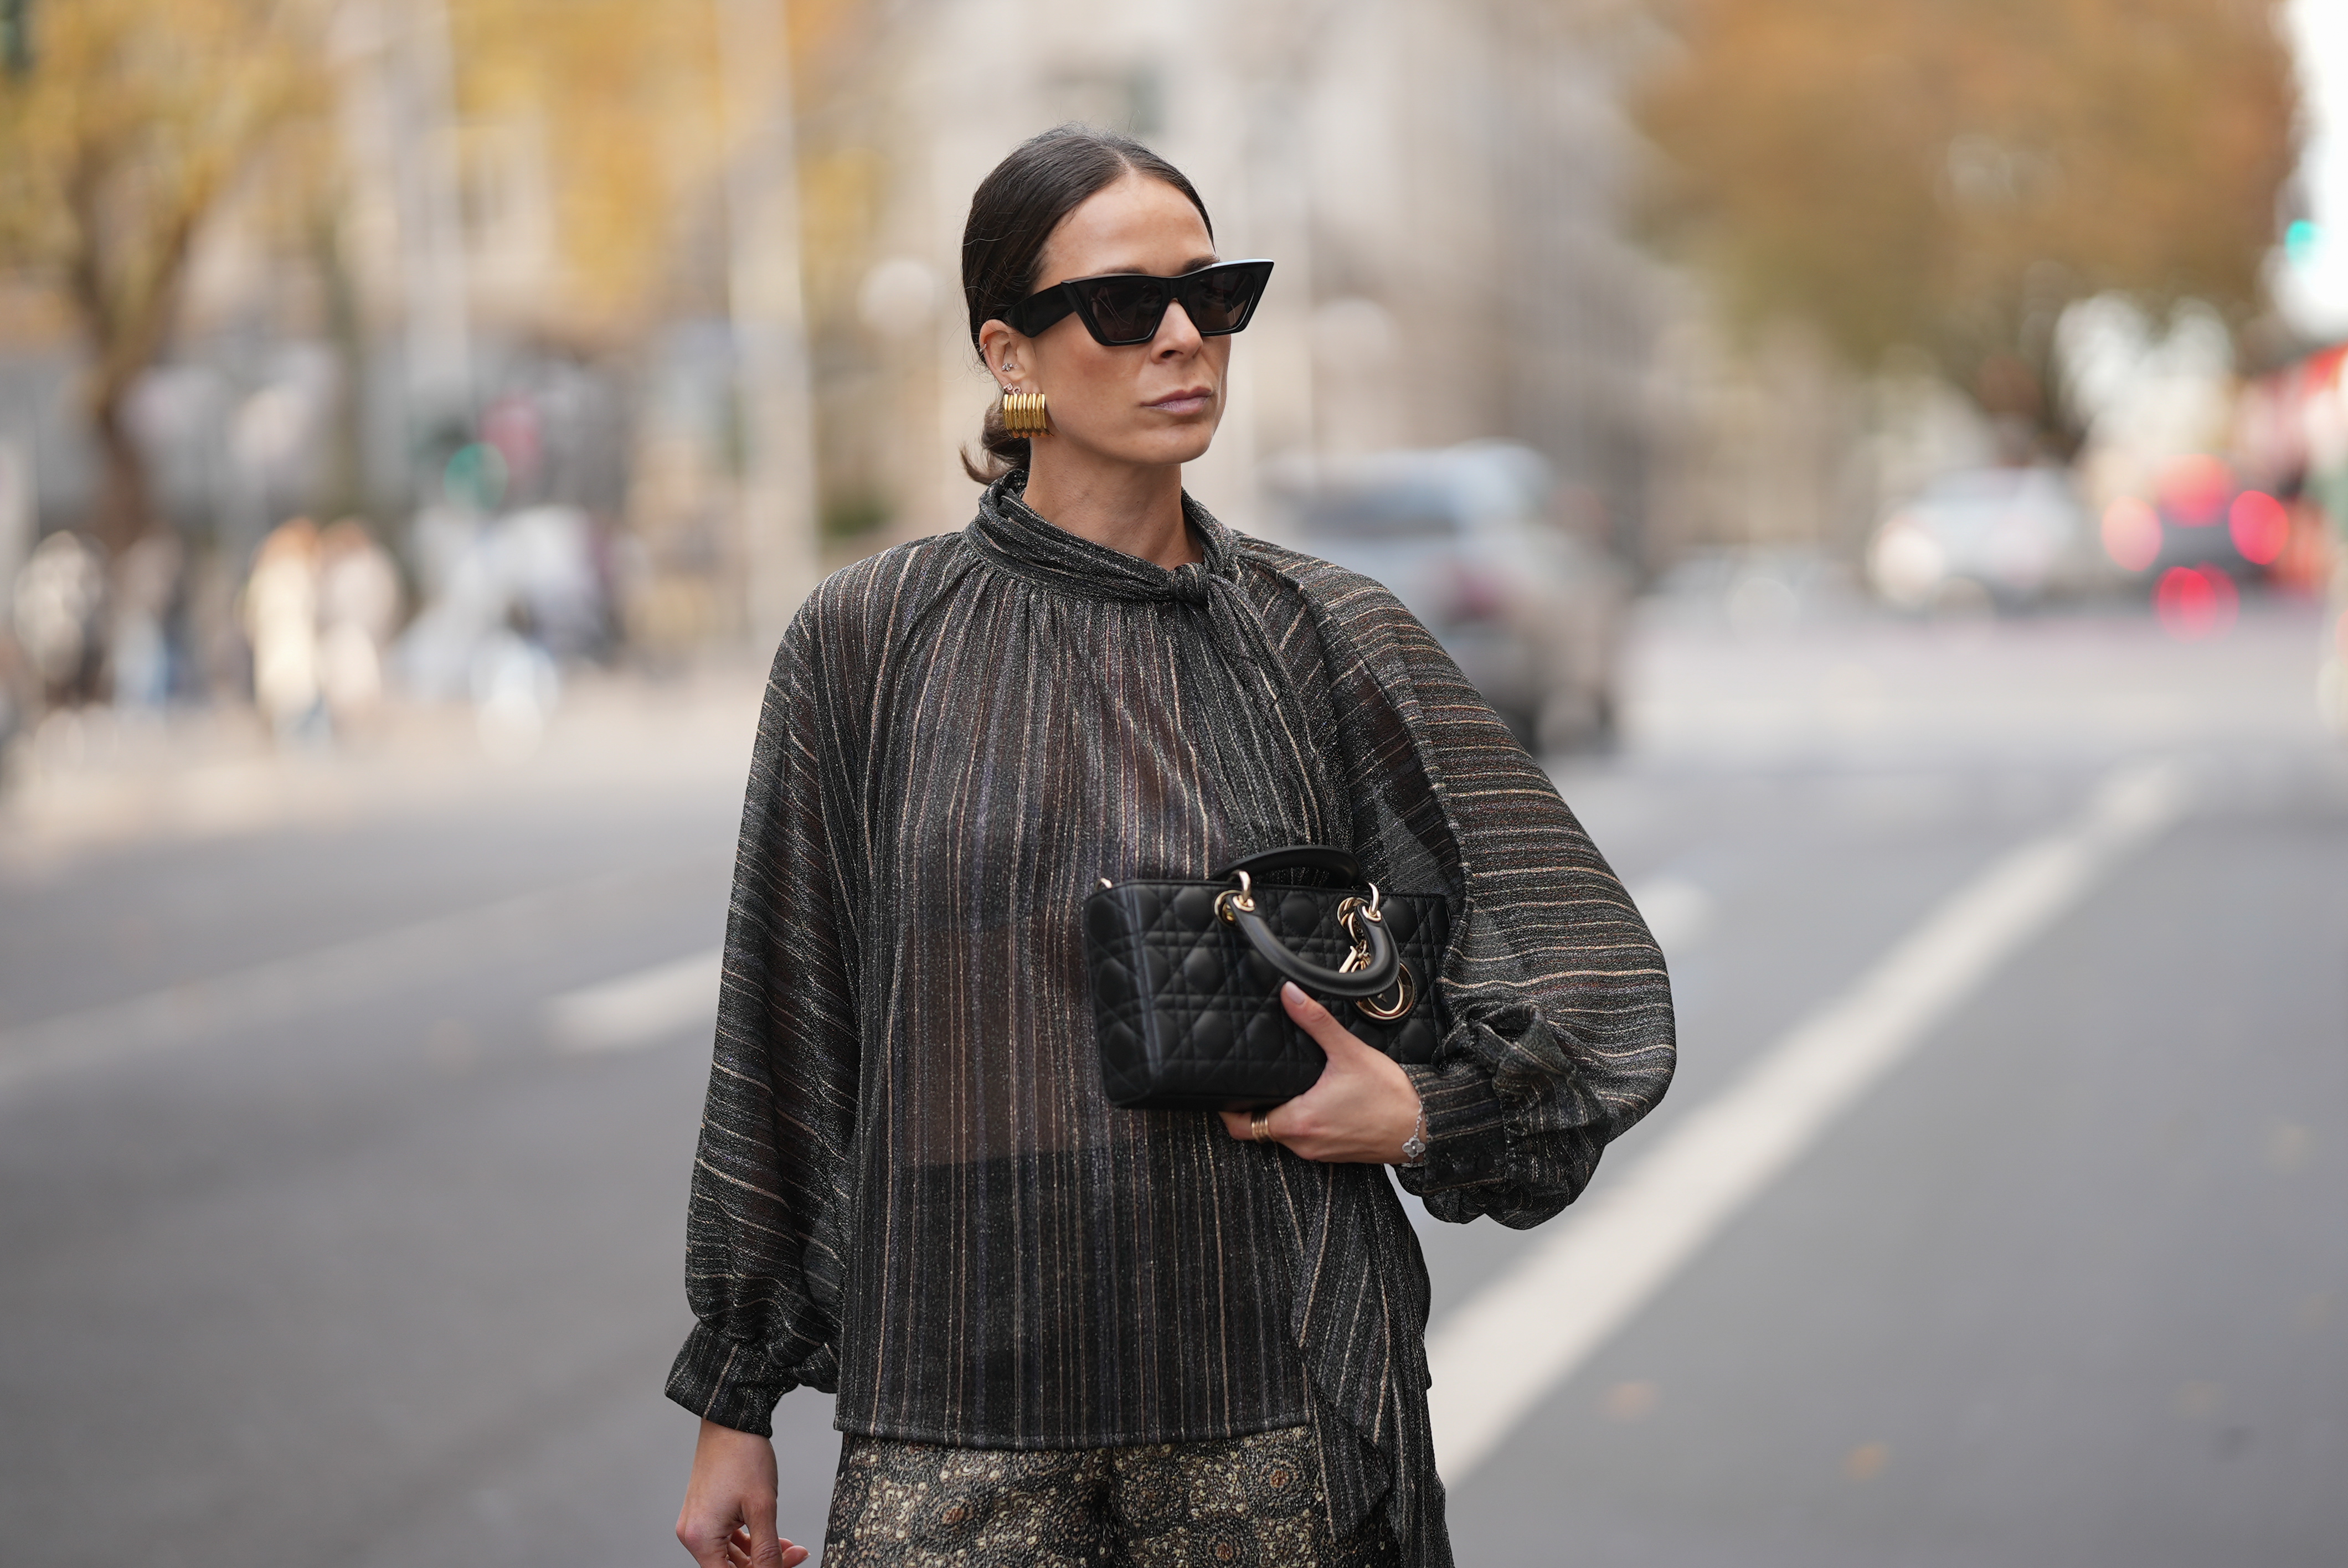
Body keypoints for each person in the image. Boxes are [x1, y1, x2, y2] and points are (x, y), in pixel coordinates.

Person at [670, 126, 1675, 1568]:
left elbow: (1592, 979)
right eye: (1127, 306)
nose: (1187, 335)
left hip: (1272, 1407)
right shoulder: (868, 644)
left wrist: (1422, 1112)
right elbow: (788, 1030)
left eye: (1219, 292)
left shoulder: (1325, 639)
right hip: (953, 1423)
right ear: (1011, 354)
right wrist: (738, 1392)